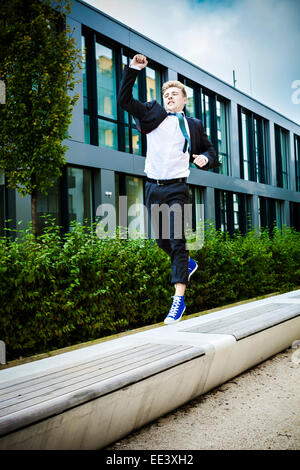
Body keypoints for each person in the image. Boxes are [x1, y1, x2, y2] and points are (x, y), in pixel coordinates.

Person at [117, 53, 218, 325]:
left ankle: (178, 301)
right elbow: (124, 101)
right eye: (167, 94)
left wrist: (205, 158)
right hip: (153, 187)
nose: (170, 97)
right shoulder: (153, 112)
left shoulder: (193, 125)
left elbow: (211, 150)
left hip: (177, 189)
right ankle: (187, 264)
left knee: (177, 240)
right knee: (162, 241)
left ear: (185, 100)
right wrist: (133, 69)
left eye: (175, 93)